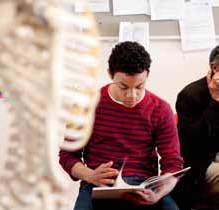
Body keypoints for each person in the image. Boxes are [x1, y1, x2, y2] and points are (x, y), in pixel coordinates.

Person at [59, 41, 183, 210]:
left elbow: (173, 164)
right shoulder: (86, 105)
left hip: (143, 187)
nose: (132, 95)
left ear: (147, 75)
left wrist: (159, 193)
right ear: (110, 74)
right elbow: (67, 155)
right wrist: (91, 175)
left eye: (139, 86)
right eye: (123, 87)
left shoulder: (160, 109)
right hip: (97, 185)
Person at [172, 46, 219, 209]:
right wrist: (215, 101)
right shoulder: (190, 95)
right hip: (202, 165)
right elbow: (191, 146)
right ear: (215, 68)